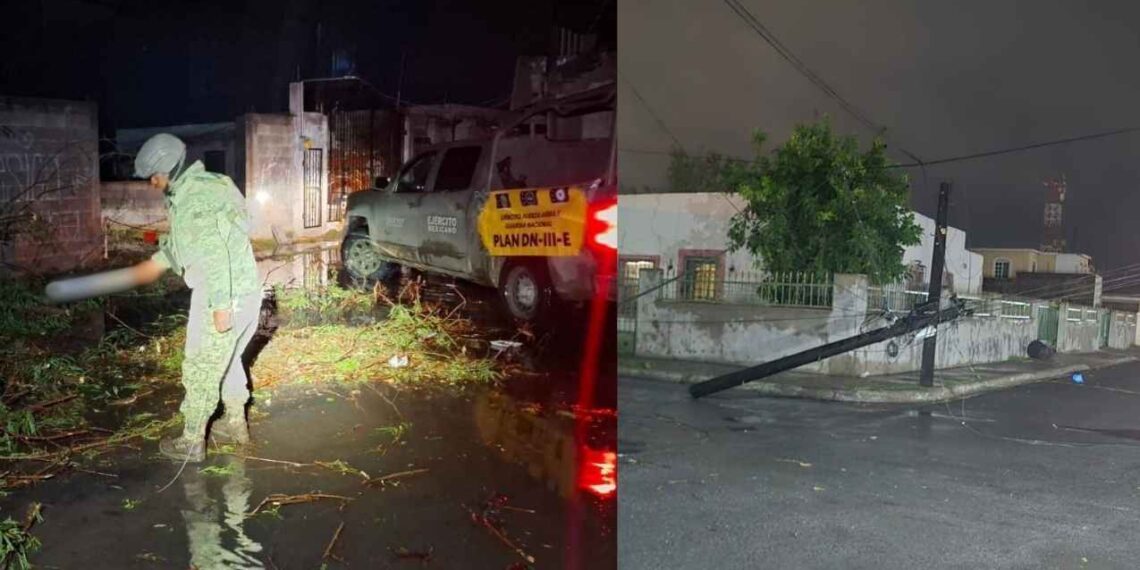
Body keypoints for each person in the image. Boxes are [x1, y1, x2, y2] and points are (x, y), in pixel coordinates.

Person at [129, 133, 262, 462]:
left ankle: (191, 442)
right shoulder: (213, 184)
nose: (152, 183)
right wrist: (155, 263)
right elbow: (193, 242)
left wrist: (219, 306)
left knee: (201, 366)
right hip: (246, 291)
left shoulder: (194, 199)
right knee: (230, 362)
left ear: (168, 170)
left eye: (153, 177)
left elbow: (215, 252)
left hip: (222, 295)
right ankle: (235, 426)